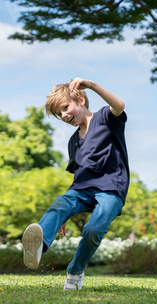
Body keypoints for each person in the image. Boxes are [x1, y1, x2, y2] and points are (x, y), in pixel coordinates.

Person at [21, 77, 130, 290]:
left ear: (80, 99)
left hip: (111, 188)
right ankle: (39, 245)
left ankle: (75, 271)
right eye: (59, 114)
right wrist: (65, 214)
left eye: (65, 108)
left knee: (93, 230)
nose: (63, 116)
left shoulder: (105, 118)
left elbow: (120, 106)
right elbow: (77, 176)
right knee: (61, 203)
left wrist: (92, 86)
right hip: (82, 189)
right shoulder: (74, 141)